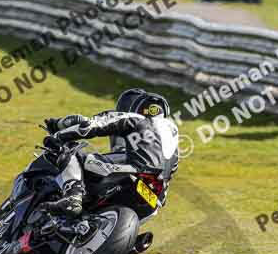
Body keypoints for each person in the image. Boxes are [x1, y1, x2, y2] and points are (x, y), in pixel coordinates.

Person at [39, 88, 179, 217]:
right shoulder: (174, 141)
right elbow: (170, 172)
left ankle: (73, 197)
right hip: (154, 200)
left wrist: (59, 136)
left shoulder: (136, 118)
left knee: (72, 153)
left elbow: (89, 126)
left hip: (133, 172)